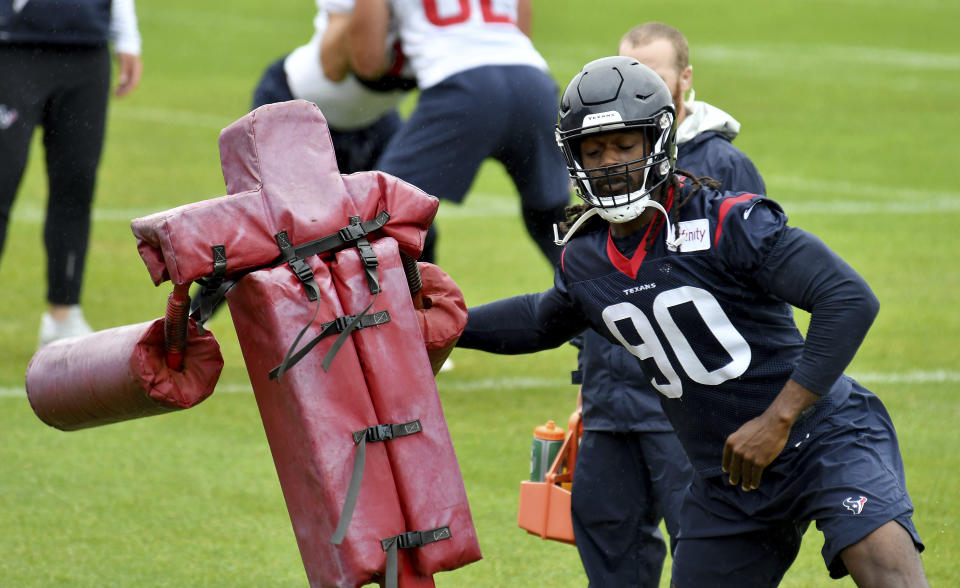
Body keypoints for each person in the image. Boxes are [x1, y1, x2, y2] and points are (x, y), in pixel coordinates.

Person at [458, 56, 928, 587]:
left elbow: (848, 298)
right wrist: (448, 322)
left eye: (623, 145)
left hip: (822, 436)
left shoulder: (725, 219)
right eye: (594, 151)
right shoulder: (585, 255)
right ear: (574, 159)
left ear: (658, 141)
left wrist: (778, 420)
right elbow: (542, 320)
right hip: (729, 478)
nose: (610, 163)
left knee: (888, 572)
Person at [568, 22, 768, 586]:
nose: (636, 93)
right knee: (609, 552)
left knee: (702, 554)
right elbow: (591, 283)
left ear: (684, 80)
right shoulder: (603, 164)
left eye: (652, 79)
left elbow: (755, 294)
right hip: (611, 406)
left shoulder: (724, 167)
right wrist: (589, 385)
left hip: (687, 413)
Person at [345, 0, 570, 266]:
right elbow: (520, 30)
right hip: (533, 84)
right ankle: (605, 294)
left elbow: (367, 62)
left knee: (384, 212)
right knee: (551, 215)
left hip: (463, 90)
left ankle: (420, 301)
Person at [0, 0, 143, 346]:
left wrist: (127, 37)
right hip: (13, 47)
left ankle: (63, 315)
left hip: (86, 51)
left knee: (76, 185)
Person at [250, 0, 415, 174]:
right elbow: (334, 67)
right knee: (290, 198)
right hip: (295, 107)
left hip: (374, 117)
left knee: (406, 193)